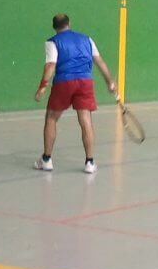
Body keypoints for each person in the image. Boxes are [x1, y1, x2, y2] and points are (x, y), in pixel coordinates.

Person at [34, 14, 116, 174]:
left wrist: (42, 87)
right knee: (85, 120)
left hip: (64, 82)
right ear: (69, 24)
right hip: (85, 82)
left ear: (54, 27)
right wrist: (110, 82)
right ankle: (90, 162)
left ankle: (46, 160)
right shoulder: (87, 39)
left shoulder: (53, 42)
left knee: (51, 118)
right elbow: (100, 62)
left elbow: (51, 65)